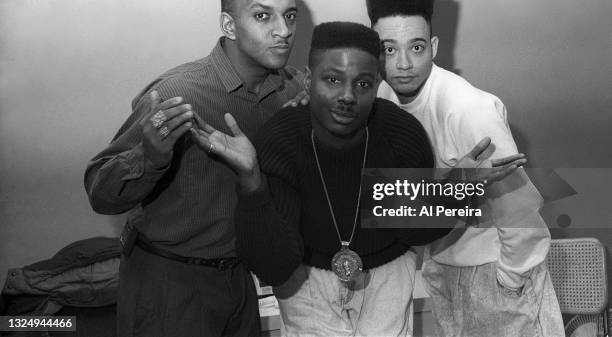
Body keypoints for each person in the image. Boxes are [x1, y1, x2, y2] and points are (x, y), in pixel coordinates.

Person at [191, 21, 522, 337]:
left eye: (362, 84)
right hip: (305, 278)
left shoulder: (401, 136)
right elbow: (273, 266)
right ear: (308, 81)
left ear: (378, 84)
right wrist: (251, 182)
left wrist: (451, 191)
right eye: (332, 80)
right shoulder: (282, 139)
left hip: (389, 273)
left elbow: (415, 230)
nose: (347, 95)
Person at [84, 0, 304, 337]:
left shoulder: (290, 92)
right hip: (169, 287)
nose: (283, 31)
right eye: (263, 16)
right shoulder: (177, 93)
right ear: (229, 25)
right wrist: (148, 158)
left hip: (240, 285)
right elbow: (99, 192)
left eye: (290, 15)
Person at [363, 0, 564, 336]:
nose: (402, 63)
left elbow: (520, 210)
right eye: (388, 49)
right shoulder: (382, 100)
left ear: (434, 47)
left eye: (416, 47)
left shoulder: (469, 110)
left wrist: (510, 281)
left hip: (498, 270)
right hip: (442, 266)